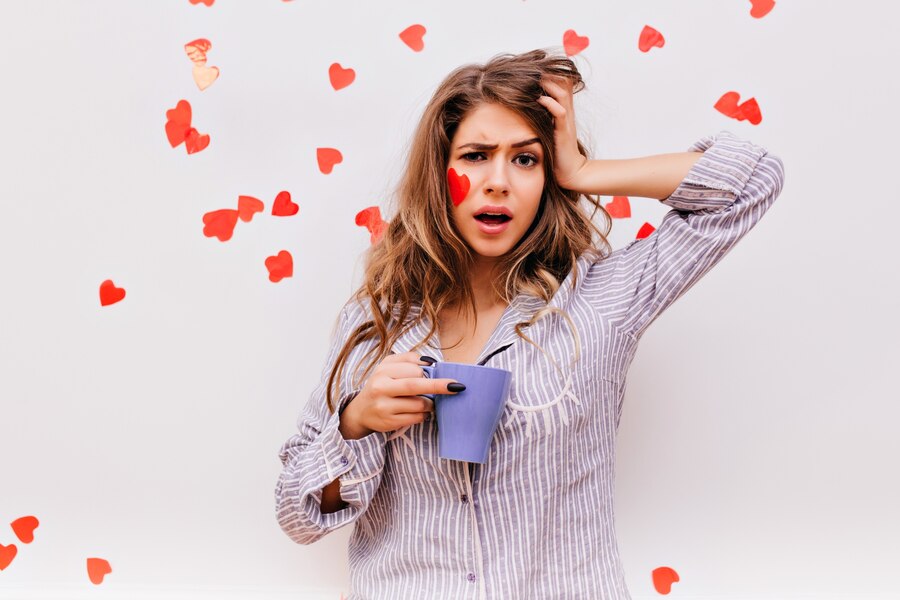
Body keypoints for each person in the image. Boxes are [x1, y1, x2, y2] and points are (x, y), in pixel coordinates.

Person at [274, 48, 785, 599]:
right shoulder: (378, 319)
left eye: (525, 159)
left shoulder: (602, 299)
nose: (498, 182)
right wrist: (357, 422)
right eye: (474, 155)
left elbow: (751, 180)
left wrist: (584, 172)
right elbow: (298, 514)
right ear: (438, 171)